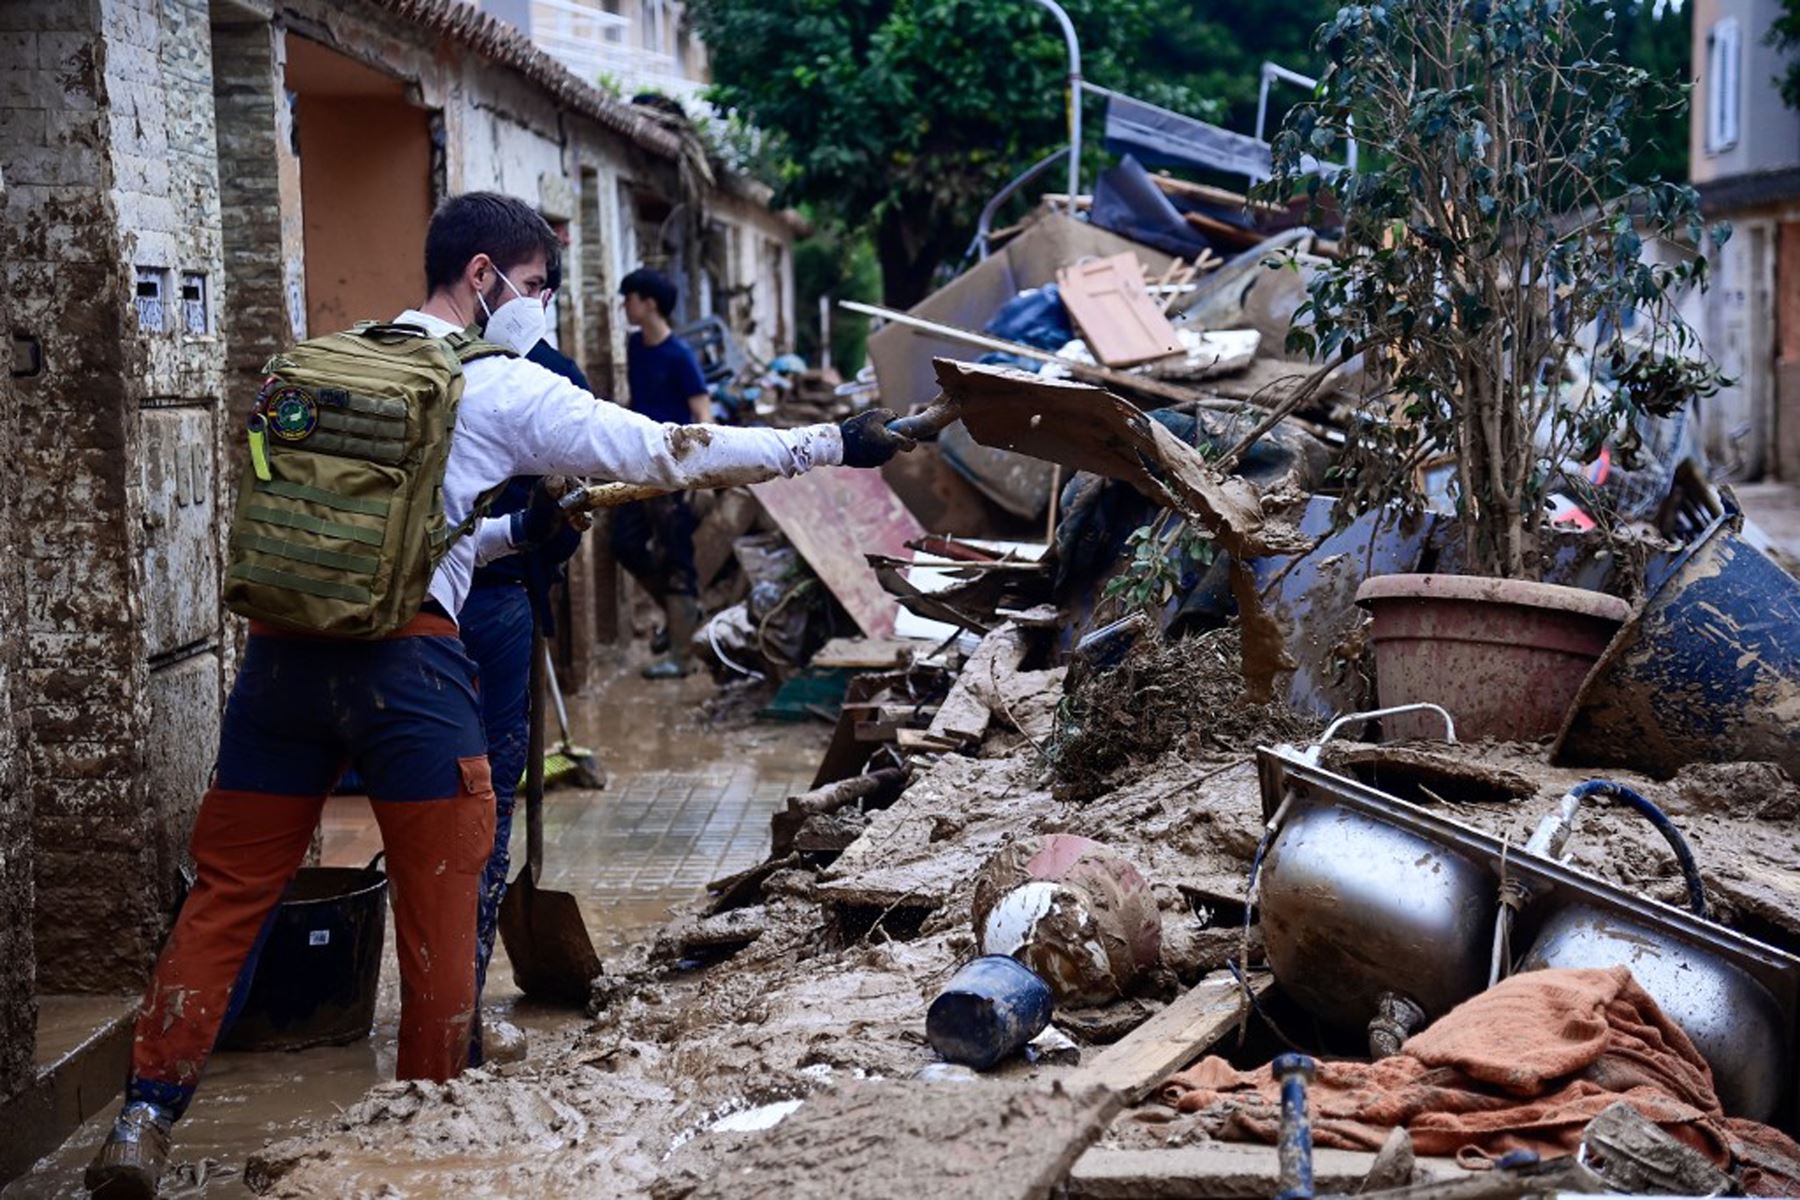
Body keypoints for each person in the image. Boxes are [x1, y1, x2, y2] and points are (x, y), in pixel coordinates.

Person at [85, 191, 909, 1200]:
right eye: (537, 288)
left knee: (225, 896)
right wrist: (826, 445)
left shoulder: (330, 364)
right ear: (483, 277)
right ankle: (424, 1132)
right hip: (407, 675)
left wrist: (520, 533)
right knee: (443, 891)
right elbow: (665, 450)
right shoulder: (500, 385)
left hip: (280, 666)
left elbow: (410, 538)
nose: (541, 311)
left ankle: (143, 1115)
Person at [460, 263, 592, 1065]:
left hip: (413, 607)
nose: (540, 300)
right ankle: (461, 1016)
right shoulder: (552, 377)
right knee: (487, 805)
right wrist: (538, 565)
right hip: (499, 604)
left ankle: (446, 1009)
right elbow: (575, 507)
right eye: (537, 281)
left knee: (438, 798)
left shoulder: (420, 360)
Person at [611, 267, 710, 679]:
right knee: (625, 543)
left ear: (648, 303)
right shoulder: (636, 346)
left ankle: (683, 657)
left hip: (674, 470)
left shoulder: (680, 356)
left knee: (677, 556)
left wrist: (700, 472)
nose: (624, 307)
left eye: (628, 299)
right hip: (638, 466)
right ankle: (680, 616)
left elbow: (703, 412)